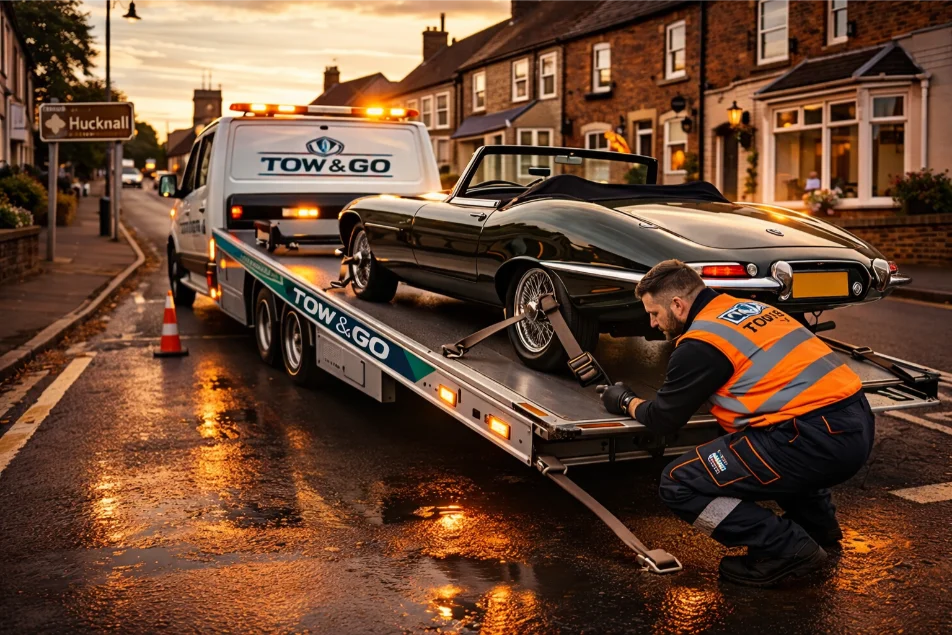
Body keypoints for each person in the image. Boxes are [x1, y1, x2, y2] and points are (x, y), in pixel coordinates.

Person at [597, 259, 875, 587]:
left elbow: (663, 419)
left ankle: (787, 549)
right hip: (856, 423)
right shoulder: (748, 308)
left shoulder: (700, 344)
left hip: (811, 439)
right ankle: (818, 527)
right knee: (762, 443)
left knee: (678, 483)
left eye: (654, 313)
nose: (653, 323)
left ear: (677, 304)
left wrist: (624, 400)